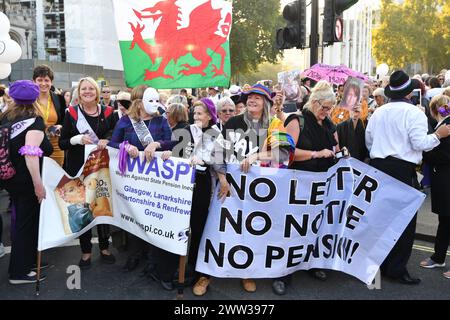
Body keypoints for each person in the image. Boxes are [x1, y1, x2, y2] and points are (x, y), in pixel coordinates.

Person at [365, 70, 450, 285]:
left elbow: (369, 142)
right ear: (409, 92)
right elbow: (420, 143)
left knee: (381, 220)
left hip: (378, 168)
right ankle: (396, 269)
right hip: (401, 170)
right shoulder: (414, 113)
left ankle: (379, 265)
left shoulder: (379, 112)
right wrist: (438, 136)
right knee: (404, 223)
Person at [108, 87, 175, 289]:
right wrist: (126, 147)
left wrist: (156, 145)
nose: (155, 105)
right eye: (150, 101)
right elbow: (113, 142)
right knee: (134, 215)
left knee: (152, 216)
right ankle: (136, 254)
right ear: (138, 102)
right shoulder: (127, 121)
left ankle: (153, 261)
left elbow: (171, 141)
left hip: (155, 180)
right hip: (132, 179)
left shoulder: (161, 119)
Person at [164, 98, 229, 296]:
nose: (196, 116)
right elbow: (175, 149)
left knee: (199, 226)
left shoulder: (217, 134)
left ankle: (194, 266)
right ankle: (178, 265)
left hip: (203, 184)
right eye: (194, 113)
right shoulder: (187, 130)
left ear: (210, 115)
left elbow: (219, 162)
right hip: (183, 182)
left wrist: (222, 180)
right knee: (182, 224)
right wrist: (167, 151)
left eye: (200, 113)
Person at [281, 80, 340, 294]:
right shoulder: (296, 121)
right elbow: (286, 152)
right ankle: (284, 273)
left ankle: (311, 264)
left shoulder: (328, 123)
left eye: (329, 108)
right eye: (324, 107)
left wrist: (342, 154)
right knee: (294, 226)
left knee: (316, 224)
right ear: (313, 102)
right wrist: (316, 153)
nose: (326, 111)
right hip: (299, 182)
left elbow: (336, 147)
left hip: (323, 182)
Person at [59, 77, 117, 269]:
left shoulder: (109, 112)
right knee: (82, 209)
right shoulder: (71, 114)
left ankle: (104, 247)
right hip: (78, 168)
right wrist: (75, 139)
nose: (87, 92)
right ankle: (85, 251)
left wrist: (107, 139)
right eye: (83, 89)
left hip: (102, 168)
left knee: (102, 205)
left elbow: (115, 134)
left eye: (91, 88)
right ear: (79, 92)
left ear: (97, 92)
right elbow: (62, 143)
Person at [222, 84, 274, 293]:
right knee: (224, 225)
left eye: (258, 98)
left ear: (266, 103)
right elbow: (219, 153)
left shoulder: (273, 125)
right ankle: (209, 271)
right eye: (249, 97)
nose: (252, 100)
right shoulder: (233, 121)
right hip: (230, 184)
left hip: (259, 188)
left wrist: (255, 156)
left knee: (252, 228)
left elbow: (281, 153)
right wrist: (222, 179)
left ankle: (246, 272)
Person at [0, 80, 53, 284]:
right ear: (35, 98)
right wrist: (38, 186)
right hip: (26, 180)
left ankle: (28, 260)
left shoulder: (6, 116)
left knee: (23, 220)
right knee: (25, 223)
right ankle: (19, 272)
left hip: (10, 177)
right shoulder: (34, 119)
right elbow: (31, 154)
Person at [420, 94, 450, 279]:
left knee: (447, 221)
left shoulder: (446, 126)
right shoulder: (443, 125)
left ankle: (438, 257)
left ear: (433, 111)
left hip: (447, 181)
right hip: (443, 182)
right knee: (445, 221)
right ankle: (438, 257)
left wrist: (425, 154)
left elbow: (445, 156)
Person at [33, 65, 66, 166]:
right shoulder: (29, 100)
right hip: (35, 147)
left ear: (51, 82)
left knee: (56, 179)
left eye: (46, 80)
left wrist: (61, 126)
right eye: (40, 80)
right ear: (34, 81)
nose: (43, 83)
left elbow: (65, 121)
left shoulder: (59, 99)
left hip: (56, 147)